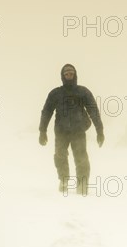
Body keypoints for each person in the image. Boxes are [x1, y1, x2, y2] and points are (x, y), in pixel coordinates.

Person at [39, 64, 104, 195]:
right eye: (66, 74)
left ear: (75, 75)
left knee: (81, 158)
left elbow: (93, 111)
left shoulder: (83, 92)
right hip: (61, 132)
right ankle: (63, 180)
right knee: (60, 156)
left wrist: (100, 131)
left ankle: (82, 183)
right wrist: (42, 131)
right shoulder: (55, 93)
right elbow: (46, 112)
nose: (69, 75)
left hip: (78, 131)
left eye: (71, 73)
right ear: (62, 76)